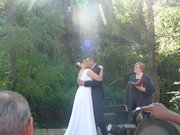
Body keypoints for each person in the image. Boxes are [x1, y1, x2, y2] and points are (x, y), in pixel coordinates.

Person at [64, 59, 104, 135]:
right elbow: (99, 79)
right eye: (85, 61)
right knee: (86, 111)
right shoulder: (88, 71)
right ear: (82, 63)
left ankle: (80, 129)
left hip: (80, 92)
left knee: (80, 111)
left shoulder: (80, 71)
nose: (87, 62)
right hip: (86, 93)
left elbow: (78, 82)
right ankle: (86, 130)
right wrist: (102, 69)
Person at [78, 56, 108, 135]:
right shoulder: (88, 69)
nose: (86, 62)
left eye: (87, 61)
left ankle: (105, 133)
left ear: (92, 61)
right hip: (89, 96)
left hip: (96, 96)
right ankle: (92, 131)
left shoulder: (98, 68)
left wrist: (85, 83)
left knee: (98, 115)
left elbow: (98, 82)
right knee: (92, 115)